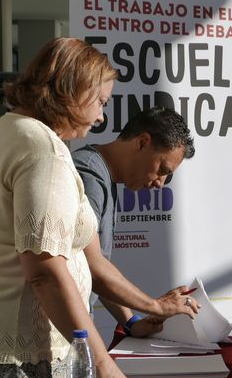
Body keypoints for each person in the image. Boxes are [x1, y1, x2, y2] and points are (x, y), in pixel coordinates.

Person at [0, 37, 197, 378]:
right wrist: (98, 359)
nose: (101, 118)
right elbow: (46, 267)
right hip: (30, 358)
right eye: (99, 102)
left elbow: (72, 259)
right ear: (69, 87)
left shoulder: (10, 131)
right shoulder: (42, 149)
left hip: (26, 349)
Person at [72, 106, 196, 338]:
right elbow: (93, 267)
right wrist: (156, 306)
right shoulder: (90, 176)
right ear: (142, 143)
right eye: (162, 169)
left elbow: (98, 268)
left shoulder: (102, 176)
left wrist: (130, 322)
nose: (160, 183)